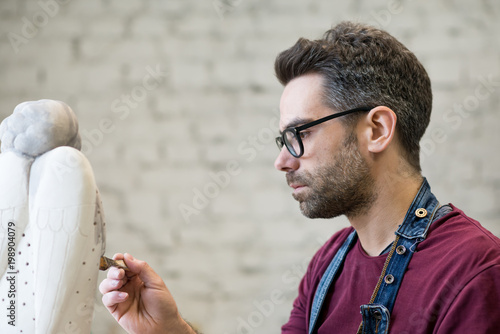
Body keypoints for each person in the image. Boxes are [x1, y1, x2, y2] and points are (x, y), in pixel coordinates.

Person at [100, 21, 500, 334]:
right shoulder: (329, 263)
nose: (282, 161)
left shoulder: (475, 272)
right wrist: (170, 330)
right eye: (284, 138)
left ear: (376, 130)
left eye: (300, 134)